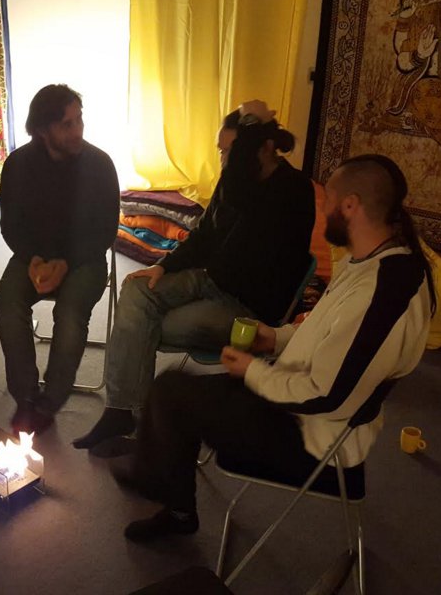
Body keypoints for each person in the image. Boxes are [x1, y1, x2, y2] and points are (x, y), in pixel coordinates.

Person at [114, 154, 436, 541]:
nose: (323, 210)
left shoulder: (384, 291)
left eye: (329, 201)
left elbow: (327, 396)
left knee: (173, 396)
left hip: (313, 438)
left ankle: (170, 500)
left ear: (350, 206)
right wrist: (275, 337)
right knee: (173, 389)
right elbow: (326, 332)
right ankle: (161, 486)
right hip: (296, 399)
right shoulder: (370, 261)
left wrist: (253, 371)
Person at [74, 101, 316, 450]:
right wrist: (164, 265)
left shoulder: (293, 191)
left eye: (231, 151)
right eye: (221, 151)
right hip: (209, 279)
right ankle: (121, 412)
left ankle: (142, 425)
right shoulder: (234, 179)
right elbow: (204, 235)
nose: (224, 160)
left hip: (247, 308)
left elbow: (258, 249)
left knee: (150, 324)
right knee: (138, 289)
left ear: (263, 147)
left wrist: (246, 151)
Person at [0, 84, 120, 433]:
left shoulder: (100, 165)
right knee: (7, 303)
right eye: (67, 124)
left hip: (85, 259)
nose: (78, 130)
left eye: (79, 120)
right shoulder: (17, 165)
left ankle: (50, 402)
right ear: (42, 130)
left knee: (70, 313)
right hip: (33, 257)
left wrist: (65, 263)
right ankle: (26, 397)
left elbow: (106, 231)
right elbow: (10, 225)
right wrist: (33, 258)